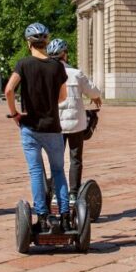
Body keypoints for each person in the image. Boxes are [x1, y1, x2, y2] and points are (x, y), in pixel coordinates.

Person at [5, 23, 69, 232]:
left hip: (30, 127)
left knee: (36, 172)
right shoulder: (57, 67)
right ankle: (65, 216)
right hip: (53, 127)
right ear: (47, 42)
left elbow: (8, 90)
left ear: (28, 43)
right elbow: (62, 97)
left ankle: (42, 216)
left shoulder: (23, 64)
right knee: (58, 171)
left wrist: (15, 113)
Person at [46, 38, 102, 205]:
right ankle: (73, 193)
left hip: (56, 124)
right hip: (76, 124)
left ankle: (56, 193)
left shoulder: (47, 74)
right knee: (75, 158)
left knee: (56, 159)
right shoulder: (76, 74)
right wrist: (96, 97)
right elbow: (93, 91)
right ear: (65, 55)